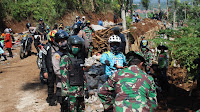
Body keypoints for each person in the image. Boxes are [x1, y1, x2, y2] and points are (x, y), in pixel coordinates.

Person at [60, 35, 88, 111]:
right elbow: (64, 75)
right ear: (70, 46)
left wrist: (86, 88)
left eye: (78, 46)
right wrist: (65, 93)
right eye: (75, 46)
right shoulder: (66, 58)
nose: (77, 48)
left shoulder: (79, 58)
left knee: (81, 110)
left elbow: (82, 74)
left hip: (80, 91)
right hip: (71, 92)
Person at [41, 30, 63, 106]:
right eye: (54, 38)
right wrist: (44, 71)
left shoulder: (59, 46)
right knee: (50, 85)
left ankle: (59, 98)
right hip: (50, 69)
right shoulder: (46, 47)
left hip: (57, 68)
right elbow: (43, 60)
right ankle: (51, 100)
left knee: (59, 84)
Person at [51, 30, 70, 111]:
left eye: (64, 40)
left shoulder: (70, 52)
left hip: (72, 85)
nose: (63, 43)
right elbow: (57, 71)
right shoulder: (57, 55)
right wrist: (69, 75)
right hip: (61, 86)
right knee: (64, 107)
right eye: (60, 41)